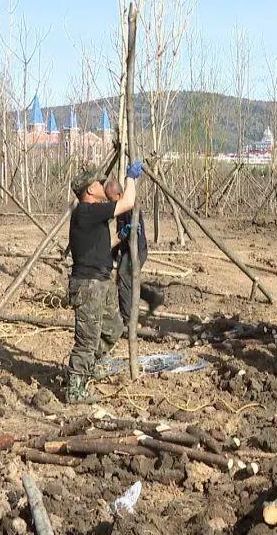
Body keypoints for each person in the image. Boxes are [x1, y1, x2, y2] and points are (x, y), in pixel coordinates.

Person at [64, 161, 142, 403]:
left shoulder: (90, 216)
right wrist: (131, 178)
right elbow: (127, 202)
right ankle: (75, 390)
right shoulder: (87, 211)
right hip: (89, 285)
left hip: (102, 281)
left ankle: (89, 367)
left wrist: (121, 237)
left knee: (113, 328)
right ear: (89, 191)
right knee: (87, 338)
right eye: (98, 183)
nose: (102, 185)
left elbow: (99, 248)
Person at [104, 178, 165, 323]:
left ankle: (128, 320)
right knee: (127, 280)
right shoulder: (120, 208)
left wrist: (130, 236)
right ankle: (152, 298)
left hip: (137, 249)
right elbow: (121, 232)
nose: (110, 203)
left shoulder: (130, 207)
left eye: (111, 199)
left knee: (124, 278)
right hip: (127, 249)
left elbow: (132, 232)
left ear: (119, 195)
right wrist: (113, 253)